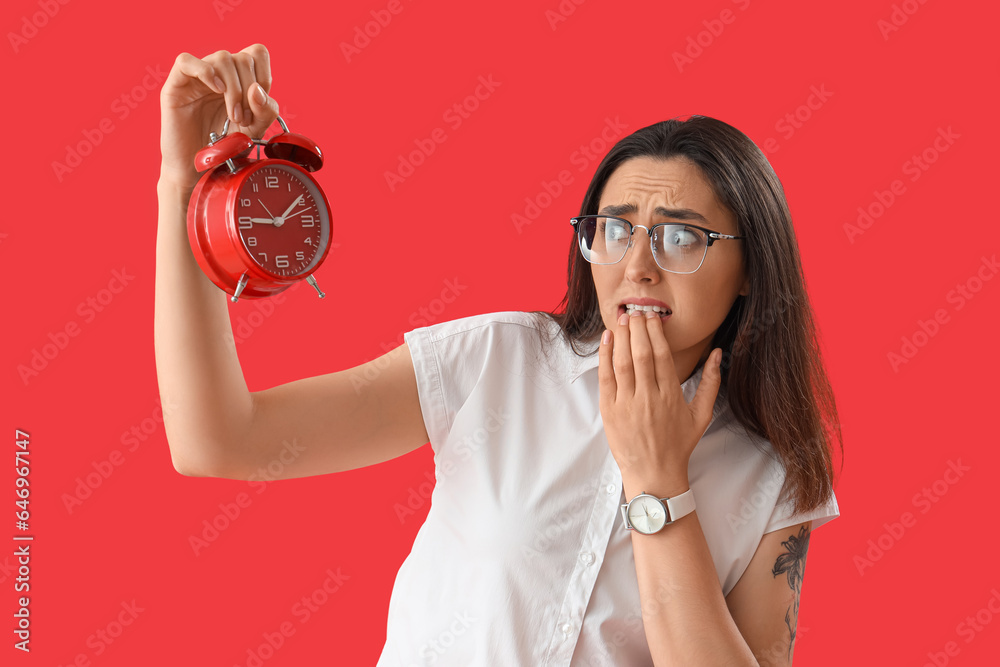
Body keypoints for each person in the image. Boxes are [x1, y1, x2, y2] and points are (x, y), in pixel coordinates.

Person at [156, 44, 842, 666]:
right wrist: (184, 186)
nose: (637, 265)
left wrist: (659, 479)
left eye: (682, 238)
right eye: (614, 229)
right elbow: (219, 440)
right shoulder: (497, 362)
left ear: (752, 266)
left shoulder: (773, 472)